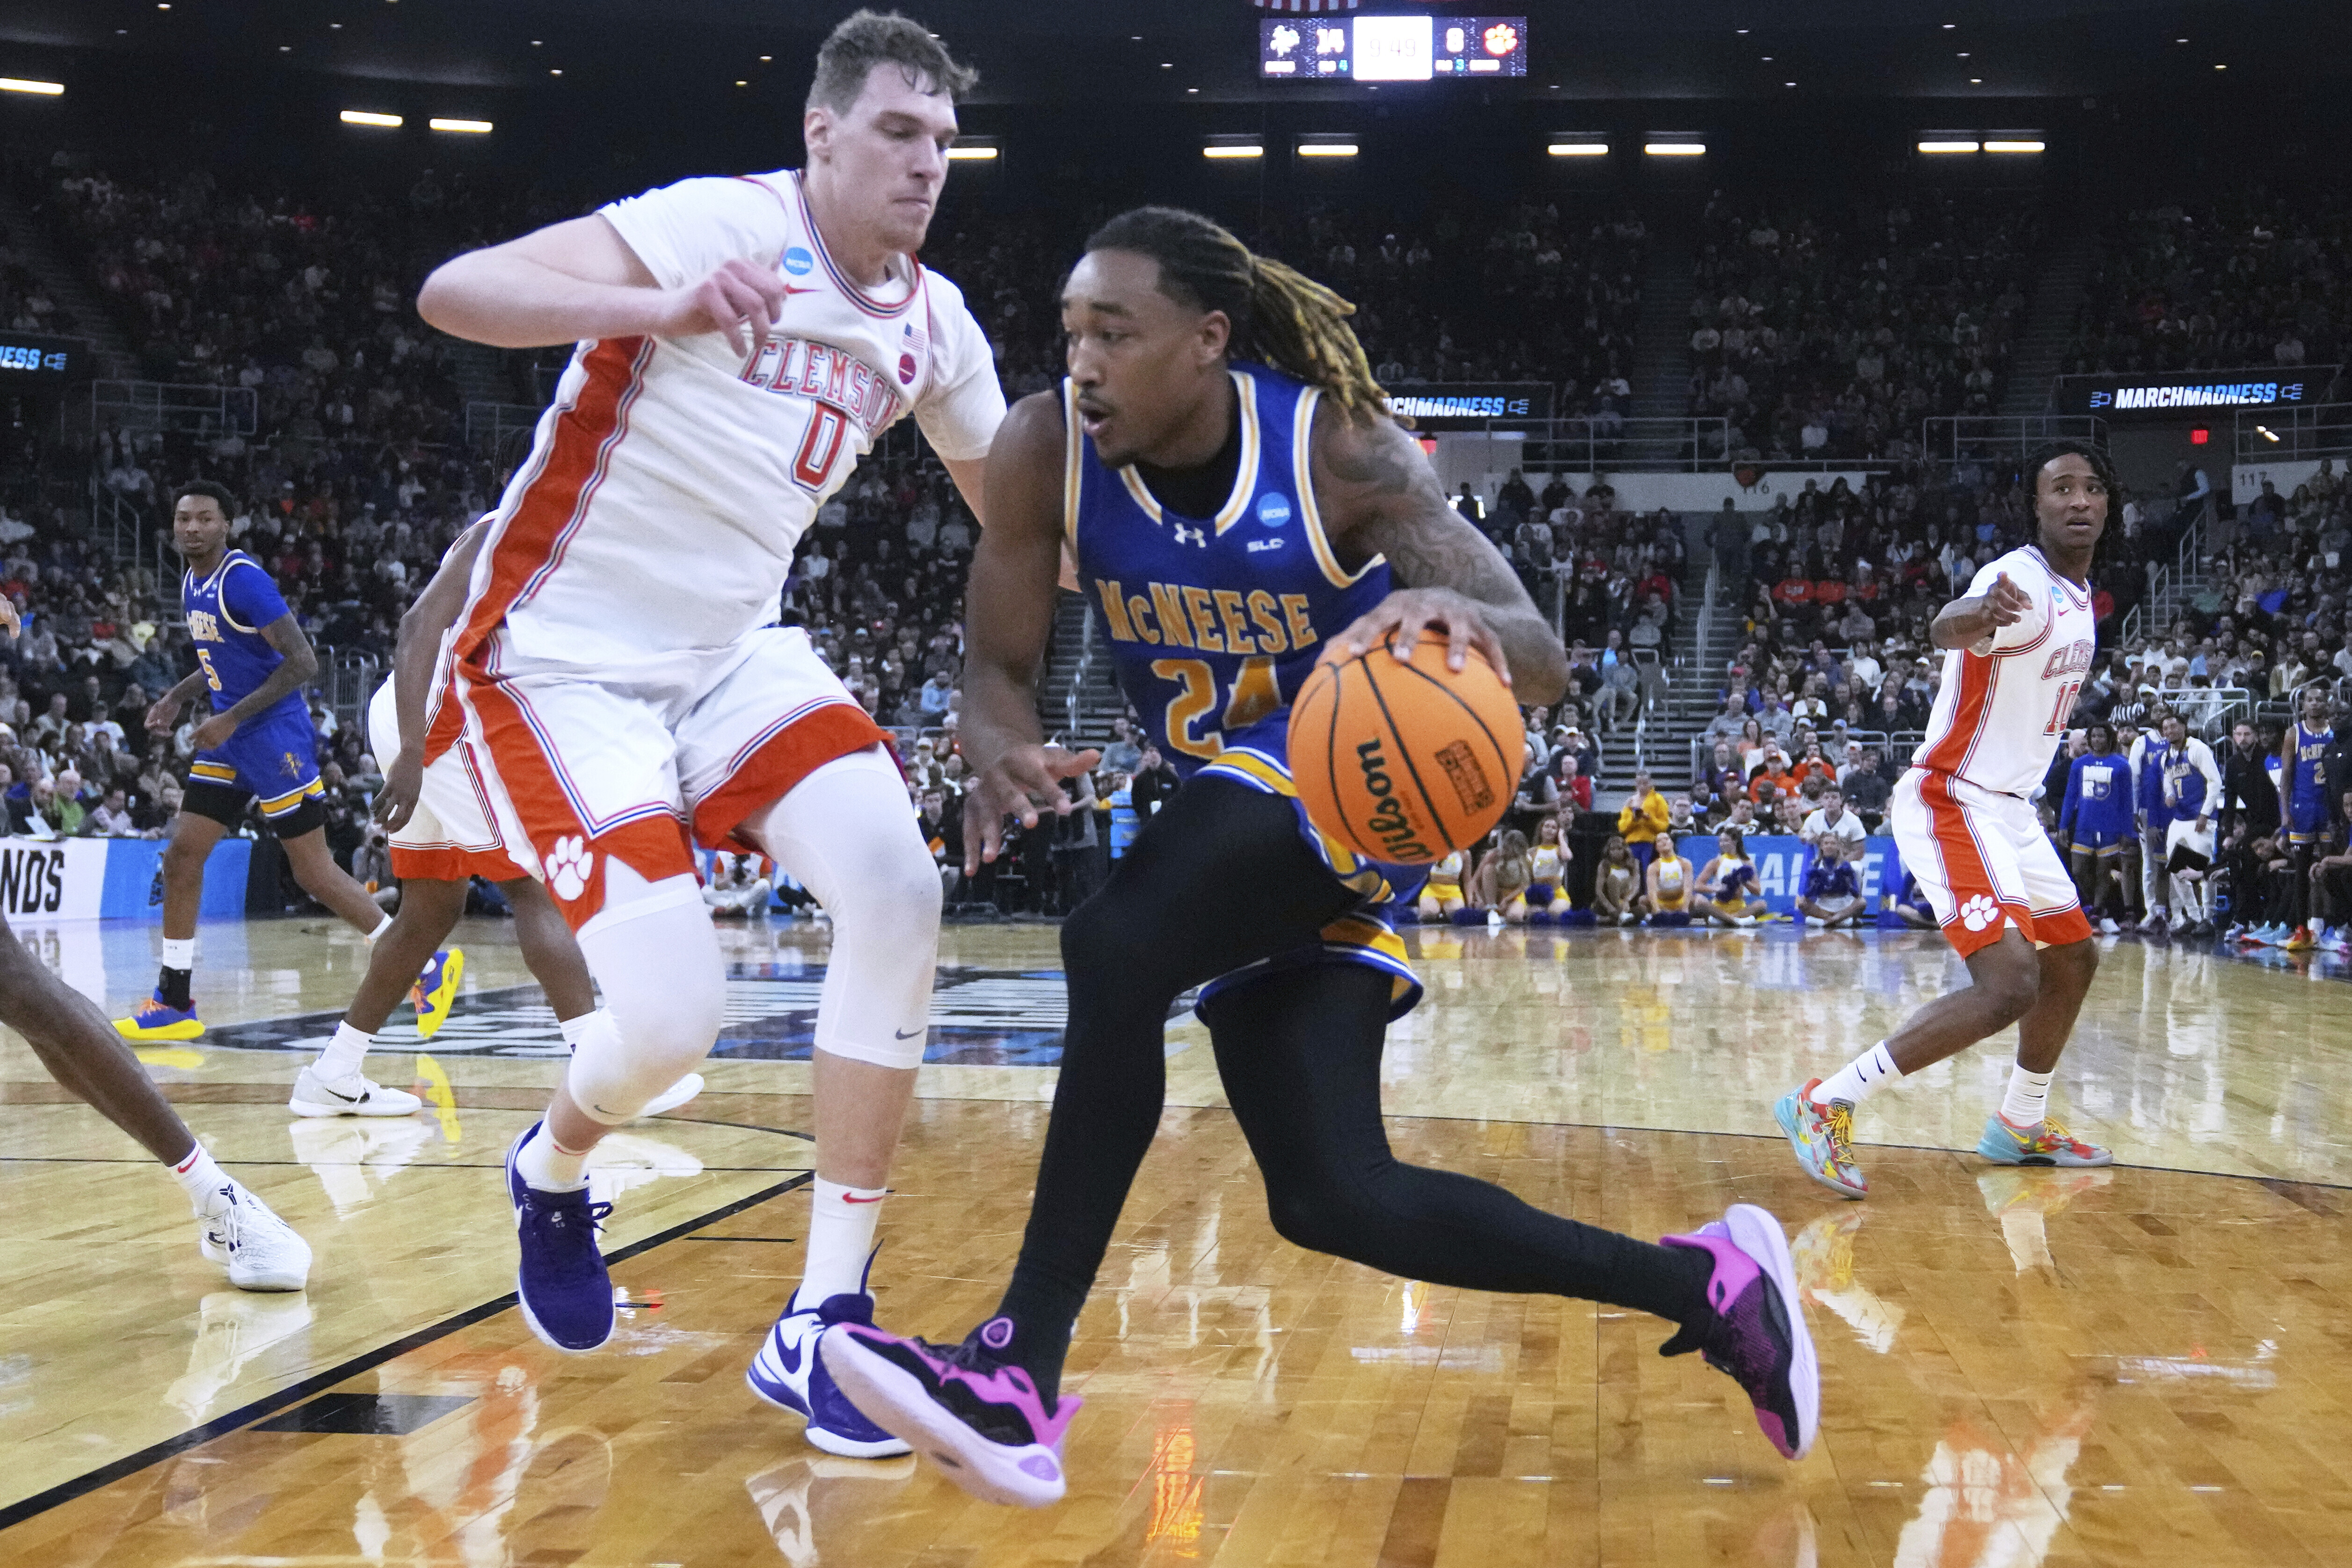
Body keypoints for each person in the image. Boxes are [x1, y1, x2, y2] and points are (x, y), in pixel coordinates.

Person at [820, 205, 1815, 1506]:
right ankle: (1711, 1285)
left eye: (1114, 332)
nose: (1083, 360)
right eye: (1070, 331)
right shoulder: (1041, 445)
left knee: (1112, 940)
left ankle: (1014, 1364)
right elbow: (997, 667)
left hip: (1357, 778)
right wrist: (999, 743)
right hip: (1234, 815)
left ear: (1207, 340)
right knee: (1336, 1194)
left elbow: (1541, 653)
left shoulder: (1340, 447)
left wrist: (1446, 606)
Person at [415, 13, 1000, 1459]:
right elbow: (455, 290)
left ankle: (822, 1320)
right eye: (895, 133)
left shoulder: (935, 323)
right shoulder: (713, 223)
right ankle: (553, 1168)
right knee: (671, 1024)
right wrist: (657, 310)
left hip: (728, 650)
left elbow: (1022, 527)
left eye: (941, 140)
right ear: (821, 135)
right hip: (558, 657)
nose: (926, 164)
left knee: (896, 884)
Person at [1776, 441, 2115, 1199]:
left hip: (2009, 810)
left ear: (2107, 505)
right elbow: (1947, 623)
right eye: (2061, 487)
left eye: (2091, 488)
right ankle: (1824, 1101)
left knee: (2073, 957)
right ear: (2037, 505)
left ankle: (2019, 1122)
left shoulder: (2080, 600)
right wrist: (1970, 615)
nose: (2078, 500)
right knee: (2007, 984)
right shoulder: (2016, 580)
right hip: (1951, 798)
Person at [0, 591, 310, 1289]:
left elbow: (291, 658)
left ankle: (220, 1194)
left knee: (19, 988)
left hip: (263, 742)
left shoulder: (241, 584)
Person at [113, 482, 425, 1043]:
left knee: (313, 871)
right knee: (183, 856)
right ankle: (175, 999)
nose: (191, 528)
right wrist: (182, 695)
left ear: (225, 525)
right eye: (183, 518)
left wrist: (231, 718)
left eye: (204, 519)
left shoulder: (243, 580)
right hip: (232, 740)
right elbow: (224, 661)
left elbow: (302, 662)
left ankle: (419, 965)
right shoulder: (191, 580)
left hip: (273, 736)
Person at [2058, 722, 2135, 934]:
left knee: (2104, 873)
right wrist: (2063, 825)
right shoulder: (2079, 764)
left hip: (2110, 827)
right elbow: (2070, 796)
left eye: (2102, 736)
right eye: (2094, 737)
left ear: (2110, 739)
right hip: (2084, 825)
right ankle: (2096, 906)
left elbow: (2127, 802)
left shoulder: (2121, 765)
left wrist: (2128, 831)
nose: (2097, 740)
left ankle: (2096, 911)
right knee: (2078, 870)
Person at [2152, 714, 2221, 938]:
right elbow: (2167, 780)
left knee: (2204, 869)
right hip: (2180, 819)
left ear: (2184, 727)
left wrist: (2205, 813)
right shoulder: (2166, 757)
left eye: (2173, 726)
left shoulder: (2198, 749)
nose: (2170, 730)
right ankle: (2194, 916)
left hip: (2200, 818)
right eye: (2165, 728)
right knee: (2176, 869)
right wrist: (2169, 794)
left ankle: (2209, 918)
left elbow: (2215, 781)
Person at [2277, 690, 2333, 949]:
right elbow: (2286, 775)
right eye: (2310, 700)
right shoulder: (2294, 733)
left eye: (2319, 700)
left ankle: (2329, 926)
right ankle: (2302, 928)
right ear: (2303, 705)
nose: (2315, 704)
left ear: (2327, 703)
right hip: (2303, 806)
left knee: (2331, 869)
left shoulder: (2336, 731)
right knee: (2302, 871)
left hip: (2330, 806)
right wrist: (2285, 812)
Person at [1693, 830, 1762, 928]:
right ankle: (1736, 921)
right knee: (1699, 901)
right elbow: (1698, 886)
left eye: (1726, 841)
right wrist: (1716, 889)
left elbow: (1758, 891)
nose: (1722, 844)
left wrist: (1745, 882)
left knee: (1761, 905)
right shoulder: (1716, 862)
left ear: (1735, 841)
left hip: (1739, 907)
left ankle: (1726, 919)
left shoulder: (1747, 863)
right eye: (1721, 841)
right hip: (1718, 906)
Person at [1795, 836, 1865, 929]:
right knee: (1802, 903)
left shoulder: (1845, 865)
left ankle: (1833, 920)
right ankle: (1833, 919)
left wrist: (1845, 879)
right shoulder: (1815, 866)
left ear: (1838, 847)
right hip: (1823, 905)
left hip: (1841, 903)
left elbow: (1856, 893)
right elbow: (1807, 894)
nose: (1829, 846)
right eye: (1826, 843)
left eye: (1833, 844)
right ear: (1822, 847)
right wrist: (1817, 883)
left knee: (1862, 902)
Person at [1469, 828, 1533, 926]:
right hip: (1495, 894)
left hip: (1515, 894)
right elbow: (1474, 881)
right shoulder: (1493, 855)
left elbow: (1524, 885)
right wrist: (1479, 899)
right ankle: (1492, 908)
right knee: (1488, 868)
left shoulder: (1526, 858)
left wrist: (1507, 900)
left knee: (1515, 917)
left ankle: (1508, 915)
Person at [1515, 814, 1571, 922]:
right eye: (1547, 826)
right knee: (1515, 916)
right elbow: (1526, 877)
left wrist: (1561, 837)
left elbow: (1567, 857)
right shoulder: (1532, 852)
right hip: (1536, 894)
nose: (1550, 830)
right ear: (1541, 829)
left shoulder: (1559, 850)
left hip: (1557, 892)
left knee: (1553, 913)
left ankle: (1540, 912)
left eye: (1554, 828)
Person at [1617, 770, 1669, 877]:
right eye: (1639, 783)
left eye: (1645, 783)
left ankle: (1649, 893)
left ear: (1651, 783)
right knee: (1632, 874)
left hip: (1650, 843)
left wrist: (1649, 820)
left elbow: (1664, 826)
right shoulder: (1630, 801)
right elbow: (1622, 828)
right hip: (1632, 844)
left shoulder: (1658, 799)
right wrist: (1634, 820)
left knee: (1648, 873)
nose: (1642, 786)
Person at [1642, 836, 1695, 926]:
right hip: (1662, 903)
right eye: (1659, 841)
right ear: (1656, 847)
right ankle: (1653, 916)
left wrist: (1685, 911)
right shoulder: (1653, 867)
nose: (1664, 842)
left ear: (1672, 843)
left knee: (1700, 901)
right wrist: (1657, 912)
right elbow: (1652, 891)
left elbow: (1688, 888)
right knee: (1642, 901)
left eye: (1666, 839)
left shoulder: (1685, 863)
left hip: (1680, 902)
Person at [1590, 834, 1641, 925]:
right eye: (1612, 850)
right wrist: (1610, 907)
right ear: (1608, 851)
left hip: (1626, 903)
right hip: (1607, 904)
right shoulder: (1604, 865)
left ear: (1625, 850)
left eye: (1619, 849)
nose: (1616, 852)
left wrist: (1627, 900)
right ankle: (1617, 918)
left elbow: (1636, 886)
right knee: (1612, 879)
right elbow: (1599, 890)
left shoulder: (1634, 864)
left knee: (1642, 911)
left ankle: (1614, 919)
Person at [1799, 788, 1866, 855]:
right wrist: (1807, 836)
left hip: (1846, 859)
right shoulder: (1815, 816)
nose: (1830, 801)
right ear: (1821, 801)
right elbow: (1802, 834)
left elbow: (1859, 851)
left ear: (1841, 800)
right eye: (1826, 798)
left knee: (1856, 866)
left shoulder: (1853, 820)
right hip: (1821, 858)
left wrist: (1841, 864)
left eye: (1834, 798)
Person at [1416, 847, 1467, 922]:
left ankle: (1443, 913)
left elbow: (1467, 881)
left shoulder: (1465, 853)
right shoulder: (1430, 849)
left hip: (1453, 891)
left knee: (1456, 914)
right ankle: (1419, 910)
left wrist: (1470, 900)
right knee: (1430, 914)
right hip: (1432, 889)